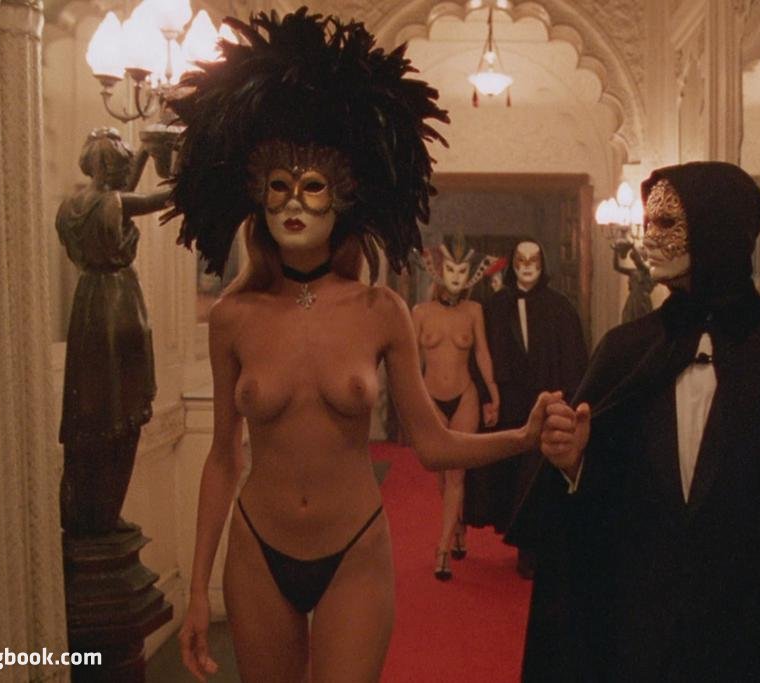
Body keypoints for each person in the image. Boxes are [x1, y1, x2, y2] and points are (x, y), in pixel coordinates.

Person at [166, 11, 554, 681]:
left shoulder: (381, 311)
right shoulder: (233, 316)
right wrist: (198, 587)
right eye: (279, 186)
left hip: (355, 549)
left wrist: (524, 437)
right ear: (258, 199)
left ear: (342, 200)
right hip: (257, 548)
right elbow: (223, 456)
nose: (294, 202)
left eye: (312, 186)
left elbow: (431, 443)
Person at [512, 162, 760, 681]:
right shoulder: (626, 351)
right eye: (647, 223)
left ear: (716, 229)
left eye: (667, 223)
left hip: (751, 639)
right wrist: (574, 463)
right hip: (641, 633)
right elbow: (595, 522)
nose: (648, 239)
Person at [56, 127, 171, 537]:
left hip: (88, 306)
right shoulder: (115, 204)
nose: (124, 172)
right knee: (120, 414)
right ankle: (102, 515)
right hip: (119, 304)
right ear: (109, 166)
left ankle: (93, 515)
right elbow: (154, 200)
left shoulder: (72, 206)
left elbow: (118, 197)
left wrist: (144, 151)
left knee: (92, 414)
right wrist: (184, 165)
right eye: (120, 164)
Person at [474, 238, 588, 578]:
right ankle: (520, 540)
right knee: (512, 475)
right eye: (521, 260)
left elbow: (574, 356)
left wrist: (569, 399)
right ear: (512, 264)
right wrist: (487, 396)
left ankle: (536, 548)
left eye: (533, 260)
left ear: (543, 264)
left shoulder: (560, 308)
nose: (526, 267)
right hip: (509, 403)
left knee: (541, 474)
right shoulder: (495, 306)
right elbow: (480, 354)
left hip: (549, 399)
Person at [411, 236, 500, 580]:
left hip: (465, 396)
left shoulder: (474, 311)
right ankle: (457, 526)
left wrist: (492, 393)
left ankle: (443, 548)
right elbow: (410, 362)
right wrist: (409, 403)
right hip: (431, 399)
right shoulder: (420, 313)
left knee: (457, 473)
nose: (456, 277)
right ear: (439, 271)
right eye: (451, 270)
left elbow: (482, 353)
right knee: (441, 472)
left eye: (463, 271)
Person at [612, 238, 655, 323]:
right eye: (633, 260)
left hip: (642, 300)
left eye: (635, 259)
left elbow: (640, 262)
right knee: (628, 320)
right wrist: (615, 251)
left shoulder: (647, 271)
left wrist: (632, 246)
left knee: (641, 321)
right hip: (632, 300)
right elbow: (616, 267)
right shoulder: (633, 272)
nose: (635, 262)